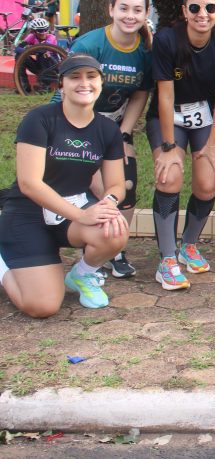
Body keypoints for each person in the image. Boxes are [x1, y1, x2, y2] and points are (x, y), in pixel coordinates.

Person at [0, 55, 128, 316]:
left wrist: (109, 203)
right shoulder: (39, 119)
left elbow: (116, 184)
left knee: (115, 228)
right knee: (42, 306)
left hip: (70, 212)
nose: (84, 83)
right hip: (28, 212)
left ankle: (82, 275)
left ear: (101, 83)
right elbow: (29, 183)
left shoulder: (107, 129)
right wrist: (81, 215)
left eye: (91, 77)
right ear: (62, 84)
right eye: (75, 77)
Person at [56, 0, 154, 279]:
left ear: (146, 13)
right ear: (111, 9)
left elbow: (140, 94)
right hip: (73, 121)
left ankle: (115, 248)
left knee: (126, 183)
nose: (130, 15)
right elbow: (67, 91)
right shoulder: (89, 44)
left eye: (137, 10)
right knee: (97, 185)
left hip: (114, 124)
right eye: (123, 8)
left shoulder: (145, 51)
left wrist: (122, 134)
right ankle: (84, 244)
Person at [147, 0, 215, 290]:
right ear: (185, 11)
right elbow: (165, 94)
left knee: (207, 182)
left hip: (205, 118)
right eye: (195, 8)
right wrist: (169, 146)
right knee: (169, 176)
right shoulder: (167, 40)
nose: (203, 14)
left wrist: (212, 144)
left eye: (210, 8)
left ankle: (188, 245)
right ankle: (167, 259)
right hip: (168, 116)